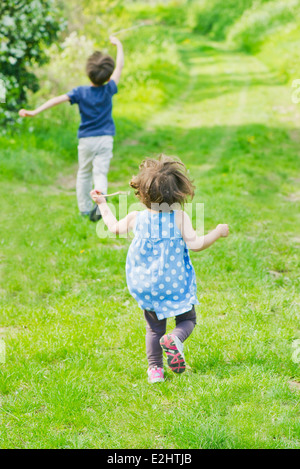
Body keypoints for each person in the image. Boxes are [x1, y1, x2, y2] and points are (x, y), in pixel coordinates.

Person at [90, 154, 229, 383]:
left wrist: (103, 205)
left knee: (154, 330)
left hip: (147, 285)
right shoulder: (179, 218)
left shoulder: (137, 217)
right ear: (177, 194)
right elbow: (196, 245)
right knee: (187, 320)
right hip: (174, 284)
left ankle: (155, 371)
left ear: (142, 194)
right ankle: (175, 338)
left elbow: (113, 228)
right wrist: (217, 232)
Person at [19, 36, 124, 222]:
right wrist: (119, 45)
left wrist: (35, 111)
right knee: (100, 173)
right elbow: (120, 67)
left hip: (86, 140)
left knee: (84, 172)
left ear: (88, 72)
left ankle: (84, 209)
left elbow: (56, 100)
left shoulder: (80, 92)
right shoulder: (109, 89)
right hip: (105, 138)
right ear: (108, 76)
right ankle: (101, 204)